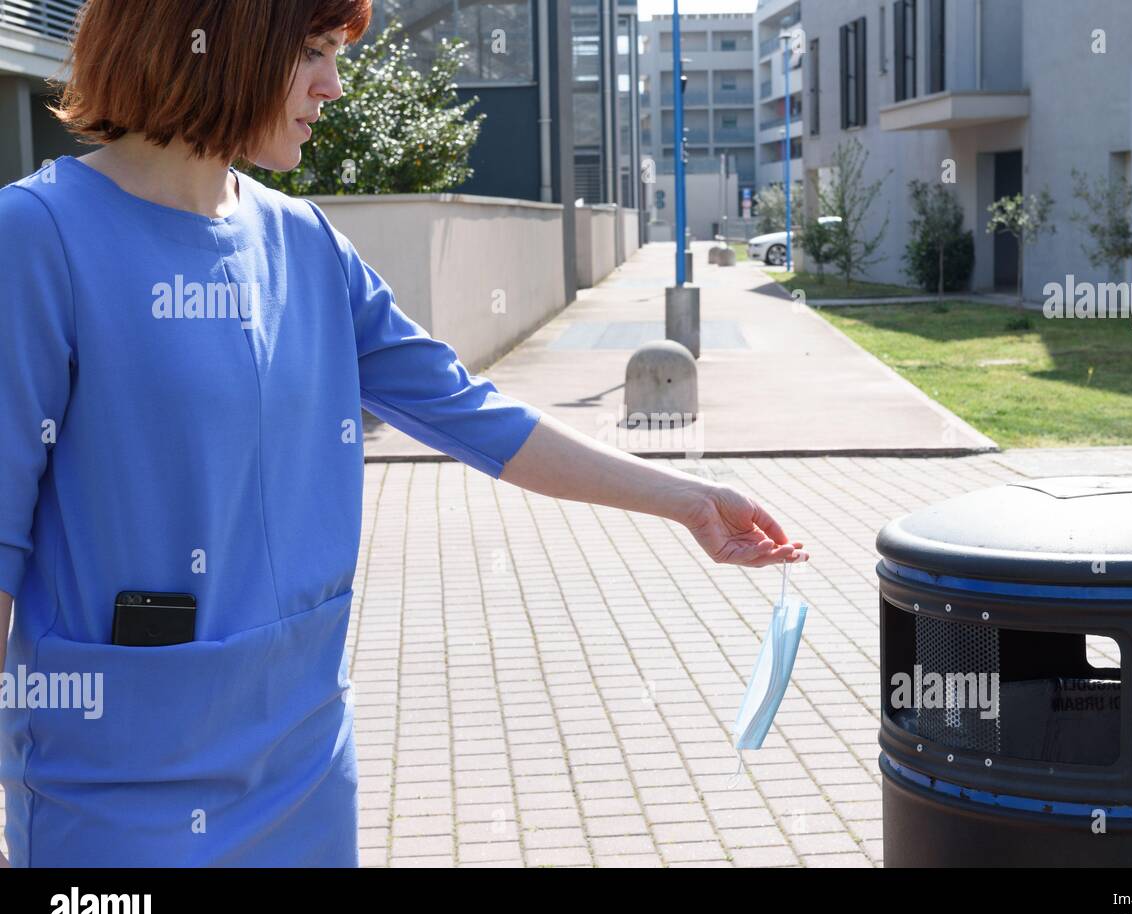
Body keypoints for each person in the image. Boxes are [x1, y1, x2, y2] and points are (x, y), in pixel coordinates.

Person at [0, 0, 809, 867]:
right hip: (119, 801)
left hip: (305, 769)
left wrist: (688, 500)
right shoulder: (37, 237)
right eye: (310, 50)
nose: (332, 84)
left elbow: (471, 411)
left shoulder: (304, 242)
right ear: (219, 35)